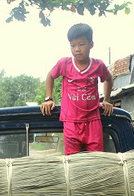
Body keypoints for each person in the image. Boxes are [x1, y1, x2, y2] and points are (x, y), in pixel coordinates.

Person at [40, 23, 114, 155]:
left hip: (93, 121)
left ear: (91, 44)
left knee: (97, 160)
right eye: (73, 45)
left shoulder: (98, 65)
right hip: (71, 123)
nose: (77, 49)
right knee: (73, 162)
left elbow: (108, 78)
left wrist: (107, 100)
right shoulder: (64, 64)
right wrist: (48, 98)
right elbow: (50, 76)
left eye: (81, 44)